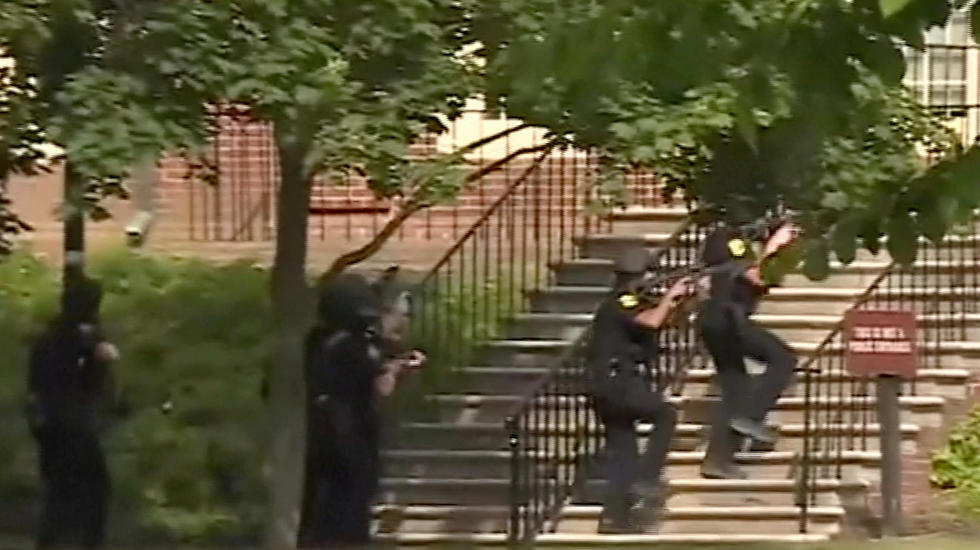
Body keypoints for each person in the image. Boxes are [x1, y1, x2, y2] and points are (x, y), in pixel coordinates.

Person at [297, 272, 421, 549]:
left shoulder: (317, 340)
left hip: (318, 431)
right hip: (351, 434)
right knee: (349, 508)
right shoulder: (358, 346)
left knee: (320, 506)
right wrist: (398, 368)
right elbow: (381, 388)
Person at [586, 247, 693, 534]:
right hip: (617, 379)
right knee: (665, 414)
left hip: (606, 383)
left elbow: (663, 322)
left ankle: (614, 518)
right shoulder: (622, 299)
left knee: (625, 452)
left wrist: (680, 301)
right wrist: (669, 296)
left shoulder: (627, 302)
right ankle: (647, 478)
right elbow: (652, 321)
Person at [696, 220, 800, 479]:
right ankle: (751, 417)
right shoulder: (728, 239)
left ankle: (717, 460)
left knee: (736, 388)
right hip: (726, 317)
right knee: (783, 358)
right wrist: (775, 246)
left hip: (716, 319)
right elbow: (754, 275)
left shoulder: (725, 242)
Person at [26, 277, 119, 550]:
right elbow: (88, 377)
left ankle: (51, 542)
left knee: (61, 491)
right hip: (70, 425)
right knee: (94, 489)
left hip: (49, 424)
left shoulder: (49, 337)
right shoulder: (79, 337)